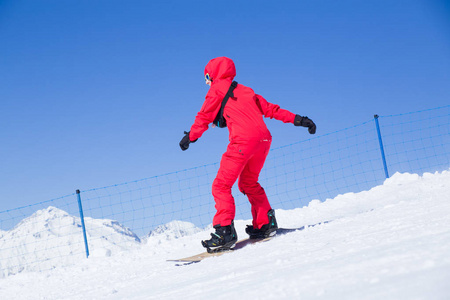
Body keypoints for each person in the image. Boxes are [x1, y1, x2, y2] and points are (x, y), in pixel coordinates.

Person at [179, 57, 316, 252]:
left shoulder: (216, 89)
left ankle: (224, 231)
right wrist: (300, 120)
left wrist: (190, 138)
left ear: (213, 74)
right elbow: (271, 110)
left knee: (221, 185)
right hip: (264, 141)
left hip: (243, 142)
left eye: (207, 77)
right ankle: (265, 223)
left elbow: (204, 117)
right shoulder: (245, 90)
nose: (207, 82)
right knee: (248, 183)